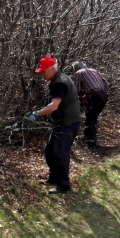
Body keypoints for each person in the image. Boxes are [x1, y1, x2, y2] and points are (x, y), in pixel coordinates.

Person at [26, 56, 81, 194]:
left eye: (44, 72)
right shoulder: (60, 78)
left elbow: (54, 106)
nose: (42, 75)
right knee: (50, 151)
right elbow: (56, 101)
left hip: (67, 123)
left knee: (60, 154)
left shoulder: (59, 83)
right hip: (63, 122)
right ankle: (54, 177)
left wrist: (37, 114)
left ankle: (63, 185)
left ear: (52, 69)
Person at [70, 61, 110, 148]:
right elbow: (106, 84)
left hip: (94, 95)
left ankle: (91, 143)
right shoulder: (94, 71)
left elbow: (77, 89)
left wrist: (77, 99)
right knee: (93, 117)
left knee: (90, 119)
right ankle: (89, 138)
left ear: (75, 68)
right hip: (103, 95)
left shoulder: (78, 73)